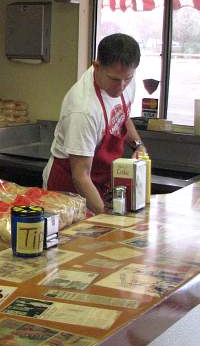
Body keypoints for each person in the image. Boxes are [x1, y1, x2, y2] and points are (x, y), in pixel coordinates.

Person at [43, 33, 147, 214]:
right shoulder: (83, 109)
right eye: (115, 79)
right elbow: (80, 176)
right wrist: (106, 218)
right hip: (69, 190)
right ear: (96, 66)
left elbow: (122, 115)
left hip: (99, 182)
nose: (122, 86)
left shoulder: (124, 77)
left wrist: (138, 145)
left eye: (128, 79)